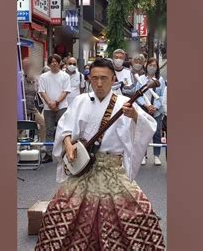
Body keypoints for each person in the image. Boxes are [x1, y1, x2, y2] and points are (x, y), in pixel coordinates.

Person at [35, 58, 166, 250]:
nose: (98, 83)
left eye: (104, 78)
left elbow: (148, 126)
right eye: (94, 78)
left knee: (140, 213)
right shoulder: (80, 101)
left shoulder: (124, 103)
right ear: (88, 79)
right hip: (84, 168)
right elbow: (65, 128)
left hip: (112, 168)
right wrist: (69, 145)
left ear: (113, 79)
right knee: (60, 211)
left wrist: (135, 116)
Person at [38, 54, 71, 163]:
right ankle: (48, 153)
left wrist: (56, 103)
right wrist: (50, 103)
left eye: (56, 61)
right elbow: (42, 92)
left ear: (60, 62)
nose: (54, 63)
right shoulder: (43, 77)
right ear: (49, 63)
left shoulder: (65, 76)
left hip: (62, 107)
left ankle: (64, 152)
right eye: (52, 61)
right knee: (49, 130)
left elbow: (65, 91)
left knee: (63, 130)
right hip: (48, 108)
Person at [137, 57, 166, 166]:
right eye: (150, 65)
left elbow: (163, 96)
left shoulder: (161, 80)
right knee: (142, 133)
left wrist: (155, 107)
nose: (152, 67)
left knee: (157, 133)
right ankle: (143, 155)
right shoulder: (141, 79)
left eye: (154, 66)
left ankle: (156, 156)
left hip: (157, 111)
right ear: (146, 66)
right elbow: (137, 94)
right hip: (144, 110)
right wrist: (146, 105)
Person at [22, 57, 46, 142]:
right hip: (21, 108)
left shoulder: (36, 79)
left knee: (43, 124)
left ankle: (39, 146)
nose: (27, 67)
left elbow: (41, 90)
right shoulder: (19, 77)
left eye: (28, 65)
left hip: (32, 108)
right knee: (20, 127)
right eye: (25, 65)